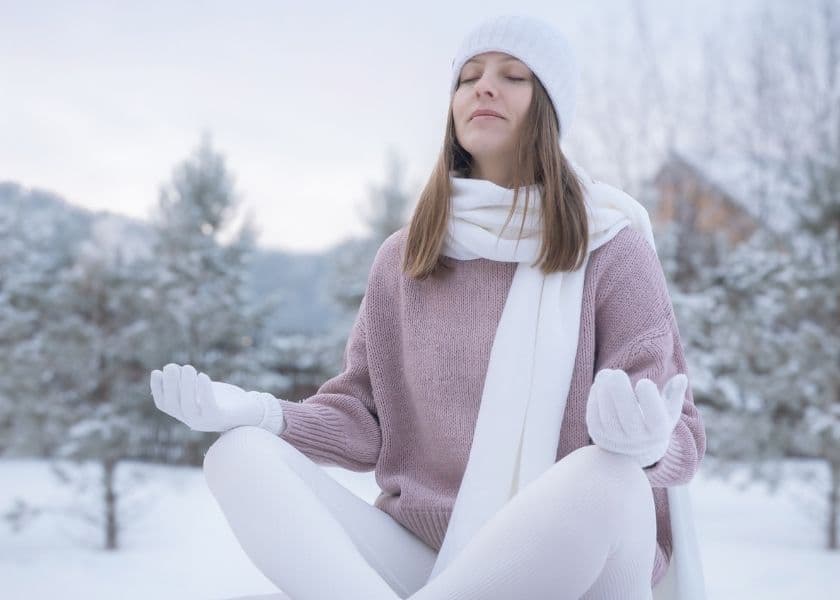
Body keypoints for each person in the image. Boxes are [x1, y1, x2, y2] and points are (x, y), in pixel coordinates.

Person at [150, 14, 706, 600]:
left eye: (513, 76)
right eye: (468, 78)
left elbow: (682, 433)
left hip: (567, 562)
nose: (484, 87)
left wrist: (647, 445)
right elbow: (364, 422)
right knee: (239, 453)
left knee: (608, 477)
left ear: (549, 109)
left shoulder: (611, 246)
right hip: (424, 559)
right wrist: (260, 414)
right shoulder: (407, 255)